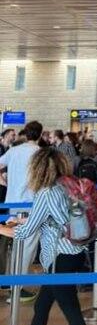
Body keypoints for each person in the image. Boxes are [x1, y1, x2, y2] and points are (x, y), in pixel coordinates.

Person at [12, 148, 97, 325]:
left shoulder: (45, 193)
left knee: (72, 313)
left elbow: (25, 232)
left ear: (38, 169)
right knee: (41, 306)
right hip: (72, 254)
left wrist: (7, 227)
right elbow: (56, 219)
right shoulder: (66, 187)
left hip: (60, 258)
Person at [0, 120, 44, 302]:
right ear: (40, 135)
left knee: (16, 244)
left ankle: (12, 283)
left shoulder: (14, 151)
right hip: (30, 205)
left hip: (12, 205)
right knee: (27, 246)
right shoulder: (40, 153)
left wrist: (4, 180)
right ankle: (17, 289)